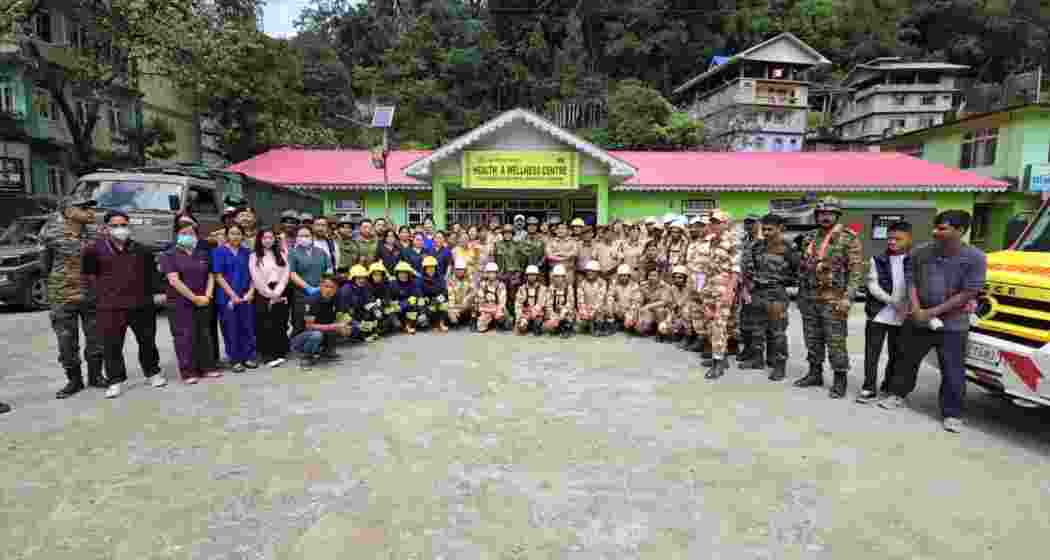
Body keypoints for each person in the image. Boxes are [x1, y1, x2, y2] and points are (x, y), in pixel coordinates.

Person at [881, 211, 985, 434]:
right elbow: (911, 280)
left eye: (943, 228)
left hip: (954, 324)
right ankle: (897, 394)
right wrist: (917, 309)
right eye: (936, 227)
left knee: (953, 370)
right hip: (918, 319)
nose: (935, 232)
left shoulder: (975, 258)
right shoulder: (920, 252)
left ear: (960, 231)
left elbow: (969, 291)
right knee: (906, 359)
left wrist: (933, 312)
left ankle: (952, 413)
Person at [82, 210, 164, 398]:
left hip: (141, 304)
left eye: (123, 225)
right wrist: (97, 299)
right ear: (106, 228)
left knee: (147, 341)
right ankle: (115, 380)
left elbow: (152, 276)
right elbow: (88, 277)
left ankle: (153, 372)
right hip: (110, 307)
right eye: (115, 225)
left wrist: (157, 295)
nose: (120, 229)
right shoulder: (93, 250)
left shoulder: (142, 249)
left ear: (129, 227)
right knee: (112, 345)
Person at [794, 196, 864, 397]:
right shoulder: (809, 237)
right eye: (822, 213)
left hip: (834, 299)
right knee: (812, 339)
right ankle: (815, 373)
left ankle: (840, 379)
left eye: (830, 213)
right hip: (809, 297)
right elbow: (804, 267)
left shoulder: (848, 238)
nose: (825, 217)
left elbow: (856, 271)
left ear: (837, 215)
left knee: (835, 341)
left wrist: (848, 298)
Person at [45, 194, 105, 399]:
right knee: (66, 341)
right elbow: (44, 263)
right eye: (84, 208)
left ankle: (96, 376)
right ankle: (74, 380)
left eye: (91, 208)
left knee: (97, 338)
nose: (91, 212)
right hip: (62, 295)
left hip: (92, 294)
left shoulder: (97, 233)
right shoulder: (51, 233)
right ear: (69, 212)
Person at [739, 214, 800, 381]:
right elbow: (750, 268)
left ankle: (779, 366)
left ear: (780, 228)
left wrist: (782, 282)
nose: (766, 232)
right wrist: (748, 286)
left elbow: (798, 271)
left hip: (776, 294)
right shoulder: (757, 246)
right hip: (758, 292)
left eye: (769, 229)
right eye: (763, 229)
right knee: (756, 329)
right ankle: (757, 360)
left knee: (777, 332)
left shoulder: (788, 247)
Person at [857, 221, 914, 402]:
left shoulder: (914, 260)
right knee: (872, 353)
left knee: (897, 353)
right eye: (889, 238)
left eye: (898, 239)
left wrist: (907, 306)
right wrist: (892, 301)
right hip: (878, 313)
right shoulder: (878, 259)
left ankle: (889, 385)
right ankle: (868, 387)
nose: (892, 242)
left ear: (909, 239)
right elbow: (872, 285)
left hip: (903, 315)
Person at [161, 218, 219, 383]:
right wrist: (194, 298)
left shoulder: (202, 254)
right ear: (177, 236)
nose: (188, 236)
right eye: (184, 233)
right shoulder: (169, 255)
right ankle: (188, 371)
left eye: (191, 233)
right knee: (184, 336)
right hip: (180, 302)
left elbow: (210, 275)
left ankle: (207, 367)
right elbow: (174, 280)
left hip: (203, 300)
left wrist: (207, 296)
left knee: (204, 335)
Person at [696, 210, 740, 380]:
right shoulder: (707, 243)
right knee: (709, 323)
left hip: (723, 289)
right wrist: (700, 290)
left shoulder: (732, 242)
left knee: (719, 325)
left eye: (717, 222)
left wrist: (730, 291)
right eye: (711, 222)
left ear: (725, 224)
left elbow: (736, 270)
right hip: (707, 290)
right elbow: (700, 270)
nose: (713, 225)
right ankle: (721, 355)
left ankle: (718, 362)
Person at [212, 224, 257, 373]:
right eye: (232, 233)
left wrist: (251, 292)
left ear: (243, 236)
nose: (235, 236)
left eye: (238, 233)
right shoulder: (218, 252)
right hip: (226, 297)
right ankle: (235, 359)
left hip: (246, 297)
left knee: (247, 327)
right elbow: (218, 276)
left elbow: (253, 275)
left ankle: (249, 356)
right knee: (230, 328)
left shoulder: (248, 252)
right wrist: (232, 295)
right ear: (226, 235)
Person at [290, 275, 352, 370]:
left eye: (332, 287)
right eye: (326, 286)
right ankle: (306, 356)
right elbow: (309, 326)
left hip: (322, 328)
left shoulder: (336, 297)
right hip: (301, 337)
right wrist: (334, 326)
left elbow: (341, 315)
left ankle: (327, 351)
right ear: (321, 286)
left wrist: (345, 324)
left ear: (336, 289)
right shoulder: (313, 300)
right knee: (316, 335)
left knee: (345, 327)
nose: (328, 290)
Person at [250, 228, 291, 368]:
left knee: (279, 323)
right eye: (264, 237)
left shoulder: (282, 254)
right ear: (260, 239)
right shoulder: (254, 256)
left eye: (270, 237)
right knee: (265, 325)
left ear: (275, 239)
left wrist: (278, 292)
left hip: (280, 290)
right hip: (263, 293)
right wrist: (270, 295)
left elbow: (286, 274)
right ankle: (267, 355)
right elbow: (256, 278)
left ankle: (279, 352)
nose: (268, 240)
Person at [288, 226, 328, 336]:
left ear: (312, 237)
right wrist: (308, 287)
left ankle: (319, 346)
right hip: (301, 293)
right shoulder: (292, 253)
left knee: (319, 320)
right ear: (296, 238)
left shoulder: (321, 252)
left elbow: (328, 271)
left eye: (307, 235)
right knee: (300, 321)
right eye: (301, 236)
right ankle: (297, 345)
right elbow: (292, 273)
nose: (304, 238)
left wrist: (323, 287)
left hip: (320, 292)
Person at [339, 264, 379, 342]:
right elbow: (343, 312)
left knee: (374, 316)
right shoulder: (346, 290)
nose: (362, 280)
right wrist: (357, 323)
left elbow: (369, 301)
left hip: (360, 314)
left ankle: (368, 332)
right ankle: (358, 335)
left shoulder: (366, 287)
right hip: (347, 316)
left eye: (363, 278)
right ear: (353, 278)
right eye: (359, 278)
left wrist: (376, 309)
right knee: (354, 328)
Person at [493, 224, 525, 310]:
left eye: (510, 233)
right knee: (501, 296)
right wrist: (497, 273)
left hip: (514, 274)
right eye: (505, 233)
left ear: (513, 234)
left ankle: (514, 315)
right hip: (501, 274)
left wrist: (518, 273)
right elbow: (494, 259)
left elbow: (522, 261)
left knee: (513, 296)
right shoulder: (497, 245)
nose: (507, 235)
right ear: (502, 234)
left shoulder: (517, 245)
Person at [657, 265, 692, 343]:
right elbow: (668, 304)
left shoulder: (689, 289)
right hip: (674, 313)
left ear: (685, 279)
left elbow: (687, 305)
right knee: (662, 319)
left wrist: (679, 311)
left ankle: (688, 337)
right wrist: (669, 318)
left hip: (686, 315)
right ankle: (668, 333)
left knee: (686, 312)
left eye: (680, 277)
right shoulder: (671, 288)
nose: (677, 280)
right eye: (675, 277)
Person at [576, 260, 610, 336]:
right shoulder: (582, 283)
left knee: (602, 312)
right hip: (586, 309)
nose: (589, 273)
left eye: (592, 271)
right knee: (579, 324)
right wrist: (584, 311)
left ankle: (599, 326)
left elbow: (600, 300)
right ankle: (589, 325)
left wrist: (593, 311)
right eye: (588, 271)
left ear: (597, 272)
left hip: (598, 310)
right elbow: (580, 299)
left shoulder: (602, 283)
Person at [367, 262, 400, 335]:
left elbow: (387, 297)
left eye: (379, 275)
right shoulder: (367, 285)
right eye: (375, 275)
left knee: (391, 314)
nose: (377, 277)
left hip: (383, 306)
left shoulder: (386, 284)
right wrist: (375, 305)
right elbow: (368, 299)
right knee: (375, 315)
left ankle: (389, 324)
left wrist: (382, 302)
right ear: (371, 275)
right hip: (371, 308)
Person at [543, 264, 575, 337]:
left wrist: (563, 311)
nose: (558, 278)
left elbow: (571, 303)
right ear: (553, 277)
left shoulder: (569, 288)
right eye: (556, 276)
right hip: (554, 314)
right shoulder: (550, 289)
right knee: (547, 327)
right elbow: (548, 305)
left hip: (566, 314)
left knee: (568, 319)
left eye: (560, 276)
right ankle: (558, 327)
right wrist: (553, 315)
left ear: (564, 277)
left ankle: (566, 328)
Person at [419, 255, 449, 331]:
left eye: (432, 267)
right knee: (428, 307)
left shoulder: (440, 278)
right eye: (428, 268)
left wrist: (438, 299)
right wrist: (426, 300)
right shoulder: (420, 280)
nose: (430, 270)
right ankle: (433, 324)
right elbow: (419, 293)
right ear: (424, 269)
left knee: (444, 305)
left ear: (435, 268)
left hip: (438, 300)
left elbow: (445, 292)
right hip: (427, 303)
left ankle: (441, 323)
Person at [514, 264, 547, 335]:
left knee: (537, 327)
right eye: (530, 275)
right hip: (525, 314)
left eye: (533, 275)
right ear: (526, 276)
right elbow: (518, 305)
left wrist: (529, 316)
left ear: (537, 276)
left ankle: (533, 325)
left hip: (537, 314)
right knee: (521, 328)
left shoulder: (542, 289)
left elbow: (540, 304)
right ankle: (525, 325)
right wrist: (520, 318)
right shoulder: (521, 289)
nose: (531, 277)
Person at [476, 262, 509, 332]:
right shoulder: (483, 285)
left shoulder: (501, 285)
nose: (491, 275)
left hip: (497, 309)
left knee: (501, 319)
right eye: (490, 273)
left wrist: (497, 311)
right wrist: (483, 312)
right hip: (486, 309)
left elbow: (502, 302)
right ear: (487, 274)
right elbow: (480, 301)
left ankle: (497, 322)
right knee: (480, 327)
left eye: (493, 273)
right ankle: (489, 323)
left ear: (496, 274)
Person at [606, 264, 638, 333]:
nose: (623, 277)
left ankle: (625, 323)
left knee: (629, 324)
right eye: (621, 275)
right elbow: (609, 296)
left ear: (629, 276)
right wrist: (612, 309)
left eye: (625, 275)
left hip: (629, 310)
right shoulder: (614, 283)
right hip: (617, 309)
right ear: (618, 276)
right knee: (609, 303)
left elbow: (635, 301)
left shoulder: (634, 285)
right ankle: (612, 322)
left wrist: (628, 312)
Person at [392, 261, 423, 334]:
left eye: (405, 273)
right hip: (397, 309)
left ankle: (409, 325)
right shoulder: (393, 284)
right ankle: (400, 324)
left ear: (409, 274)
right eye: (401, 273)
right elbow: (389, 298)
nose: (403, 275)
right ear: (397, 273)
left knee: (413, 305)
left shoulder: (413, 283)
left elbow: (418, 295)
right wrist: (397, 304)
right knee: (396, 324)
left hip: (408, 307)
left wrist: (405, 303)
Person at [447, 257, 476, 329]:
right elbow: (451, 296)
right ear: (455, 270)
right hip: (455, 305)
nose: (460, 271)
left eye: (462, 269)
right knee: (449, 310)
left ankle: (473, 321)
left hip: (466, 304)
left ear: (465, 270)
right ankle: (455, 320)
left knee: (476, 301)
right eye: (458, 270)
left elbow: (474, 291)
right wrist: (453, 308)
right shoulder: (451, 280)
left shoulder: (469, 278)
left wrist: (467, 298)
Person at [546, 222, 579, 286]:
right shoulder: (550, 242)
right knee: (553, 291)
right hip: (554, 272)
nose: (560, 230)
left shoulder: (573, 242)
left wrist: (558, 254)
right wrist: (566, 256)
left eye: (563, 228)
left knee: (569, 291)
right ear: (555, 231)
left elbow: (574, 253)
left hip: (568, 271)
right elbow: (549, 256)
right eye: (559, 228)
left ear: (567, 231)